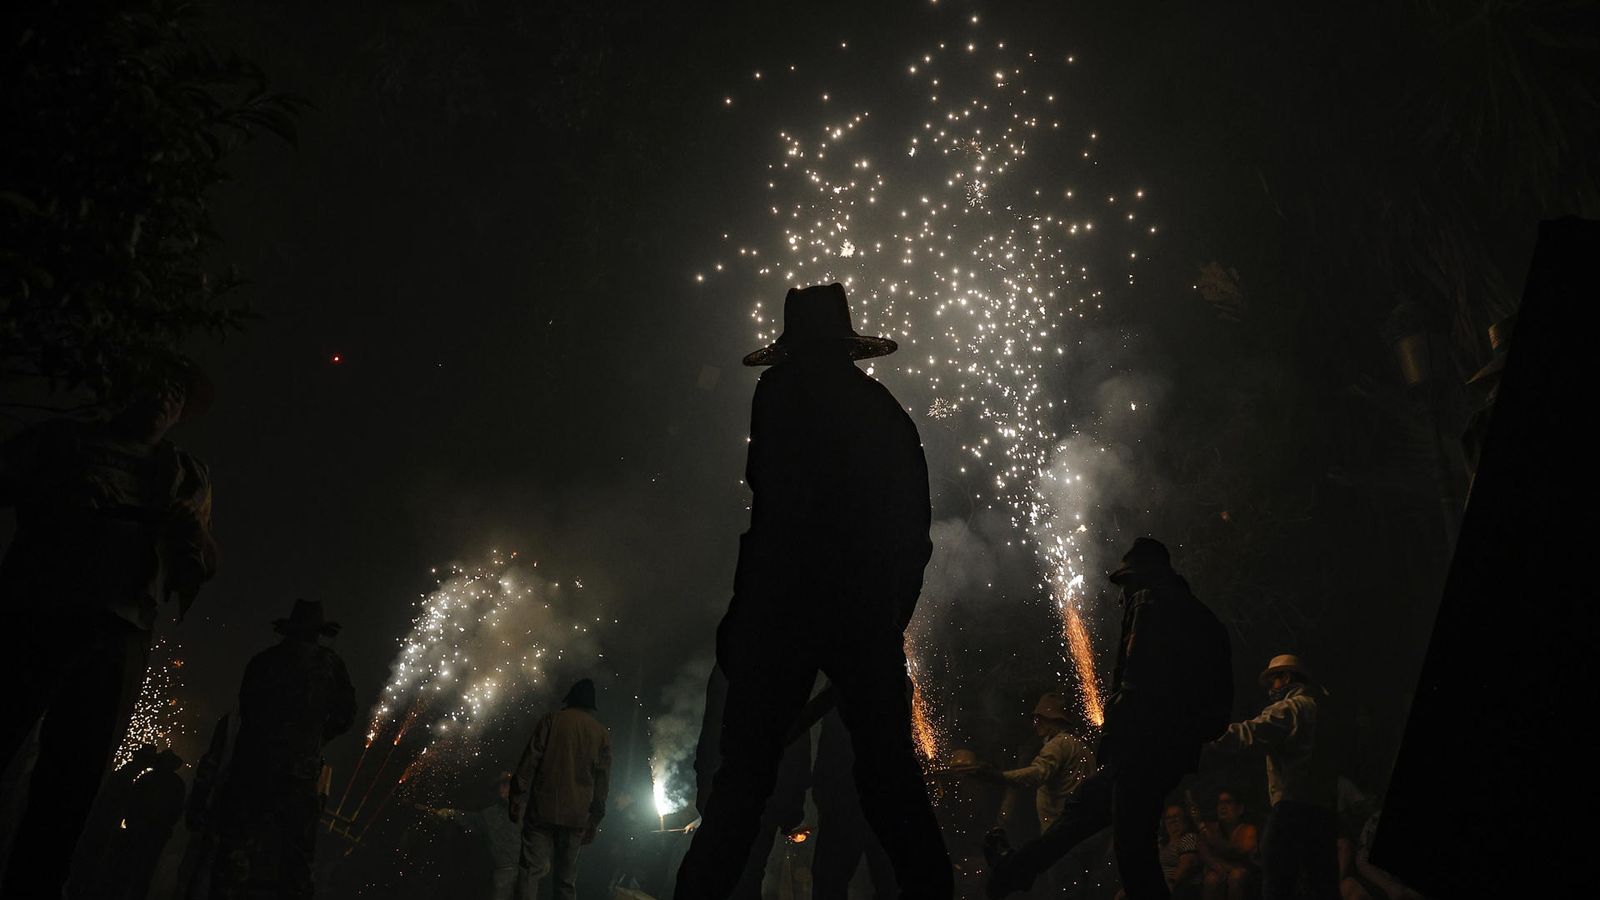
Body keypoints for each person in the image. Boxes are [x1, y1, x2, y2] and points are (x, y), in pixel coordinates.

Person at [674, 283, 950, 900]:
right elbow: (914, 530)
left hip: (784, 611)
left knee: (742, 785)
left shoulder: (778, 396)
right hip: (858, 611)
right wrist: (886, 617)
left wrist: (745, 619)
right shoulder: (881, 411)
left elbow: (770, 518)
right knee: (891, 783)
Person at [0, 357, 216, 898]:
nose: (165, 399)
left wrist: (192, 535)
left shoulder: (185, 473)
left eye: (176, 393)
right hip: (37, 614)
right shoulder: (64, 444)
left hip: (119, 634)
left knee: (71, 784)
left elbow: (202, 562)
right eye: (156, 384)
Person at [985, 537, 1234, 900]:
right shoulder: (1206, 621)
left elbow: (1135, 681)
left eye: (1128, 583)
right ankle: (1016, 869)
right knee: (1084, 808)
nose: (1124, 594)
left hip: (1144, 751)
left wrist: (1118, 737)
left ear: (1145, 577)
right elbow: (1216, 709)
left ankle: (1015, 870)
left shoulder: (1152, 604)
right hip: (1165, 752)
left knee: (1134, 857)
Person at [210, 599, 356, 899]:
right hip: (299, 775)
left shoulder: (264, 661)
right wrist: (317, 738)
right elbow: (347, 715)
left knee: (236, 854)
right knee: (295, 863)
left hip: (254, 768)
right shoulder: (330, 666)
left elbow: (246, 712)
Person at [1213, 655, 1338, 900]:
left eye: (1273, 682)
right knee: (1323, 888)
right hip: (1323, 813)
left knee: (1277, 887)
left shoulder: (1292, 708)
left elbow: (1248, 733)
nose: (1271, 689)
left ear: (1287, 678)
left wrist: (1204, 736)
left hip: (1291, 811)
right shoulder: (1323, 709)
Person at [691, 665, 812, 900]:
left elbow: (710, 733)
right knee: (747, 876)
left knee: (712, 874)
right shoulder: (789, 670)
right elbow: (797, 747)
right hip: (762, 796)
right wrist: (792, 808)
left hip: (729, 792)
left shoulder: (728, 665)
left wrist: (705, 787)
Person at [509, 679, 612, 900]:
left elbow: (529, 761)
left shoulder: (551, 720)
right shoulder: (600, 732)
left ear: (570, 700)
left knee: (530, 872)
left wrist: (516, 797)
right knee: (566, 881)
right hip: (576, 816)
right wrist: (595, 819)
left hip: (542, 810)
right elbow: (602, 781)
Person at [102, 748, 188, 900]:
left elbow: (132, 803)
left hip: (142, 832)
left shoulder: (148, 779)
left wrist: (132, 824)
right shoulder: (177, 784)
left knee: (127, 871)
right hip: (154, 834)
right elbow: (176, 812)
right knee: (142, 874)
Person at [1195, 791, 1258, 900]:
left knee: (1236, 876)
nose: (1222, 807)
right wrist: (1218, 866)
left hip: (1244, 874)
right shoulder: (1212, 828)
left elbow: (1240, 851)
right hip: (1219, 871)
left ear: (1240, 808)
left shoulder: (1248, 830)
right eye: (1219, 803)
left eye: (1227, 802)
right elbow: (1203, 850)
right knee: (1211, 879)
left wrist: (1212, 839)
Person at [1159, 805, 1203, 900]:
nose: (1172, 821)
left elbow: (1187, 863)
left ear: (1185, 819)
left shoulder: (1188, 838)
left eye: (1176, 816)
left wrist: (1171, 883)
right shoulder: (1163, 844)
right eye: (1169, 818)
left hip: (1182, 887)